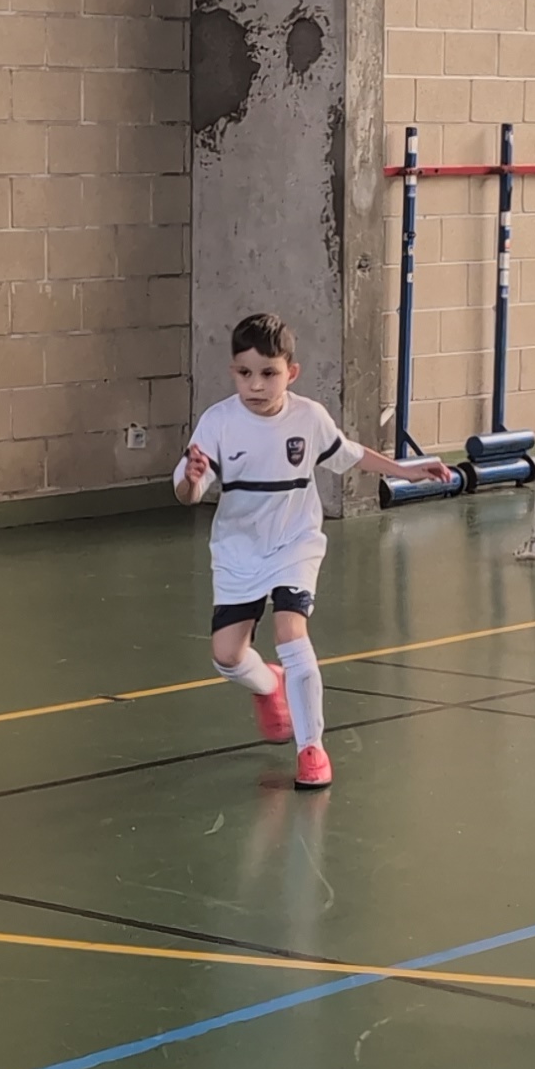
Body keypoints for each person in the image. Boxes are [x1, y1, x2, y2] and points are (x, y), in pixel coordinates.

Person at [175, 313, 449, 791]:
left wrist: (407, 470)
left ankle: (311, 748)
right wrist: (192, 480)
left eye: (268, 373)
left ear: (291, 373)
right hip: (239, 550)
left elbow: (351, 454)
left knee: (290, 631)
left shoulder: (309, 417)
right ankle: (270, 685)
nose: (255, 385)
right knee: (226, 656)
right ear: (232, 371)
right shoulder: (218, 422)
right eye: (244, 373)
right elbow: (187, 493)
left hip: (294, 542)